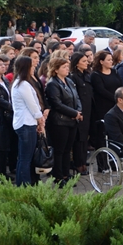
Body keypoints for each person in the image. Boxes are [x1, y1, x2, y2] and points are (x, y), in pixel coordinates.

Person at [44, 56, 82, 185]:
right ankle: (58, 176)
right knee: (59, 150)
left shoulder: (69, 81)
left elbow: (77, 98)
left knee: (67, 149)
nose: (67, 69)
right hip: (59, 122)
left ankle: (66, 174)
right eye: (64, 67)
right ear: (56, 70)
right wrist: (74, 113)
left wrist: (78, 111)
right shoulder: (52, 84)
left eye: (68, 67)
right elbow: (56, 104)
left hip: (72, 121)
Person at [10, 57, 45, 186]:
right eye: (32, 66)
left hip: (26, 123)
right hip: (26, 124)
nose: (34, 68)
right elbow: (33, 105)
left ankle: (22, 184)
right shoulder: (22, 84)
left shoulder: (22, 82)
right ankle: (24, 185)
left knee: (24, 158)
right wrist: (40, 120)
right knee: (25, 158)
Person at [90, 50, 123, 151]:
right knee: (102, 135)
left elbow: (120, 84)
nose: (111, 62)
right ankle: (103, 163)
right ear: (101, 61)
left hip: (116, 107)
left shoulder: (114, 72)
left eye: (111, 60)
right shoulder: (96, 75)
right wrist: (117, 98)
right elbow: (101, 90)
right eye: (108, 60)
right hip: (103, 108)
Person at [69, 52, 93, 175]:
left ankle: (83, 161)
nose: (87, 63)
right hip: (80, 111)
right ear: (77, 62)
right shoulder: (73, 76)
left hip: (88, 110)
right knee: (79, 139)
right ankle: (78, 163)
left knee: (84, 138)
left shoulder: (87, 74)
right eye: (84, 61)